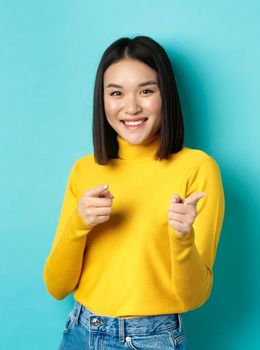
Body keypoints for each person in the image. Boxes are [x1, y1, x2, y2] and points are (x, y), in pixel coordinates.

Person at [43, 35, 225, 350]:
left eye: (146, 91)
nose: (131, 107)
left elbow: (194, 297)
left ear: (165, 94)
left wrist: (182, 239)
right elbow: (57, 287)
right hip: (79, 330)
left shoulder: (197, 168)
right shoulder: (85, 170)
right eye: (116, 93)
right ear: (102, 100)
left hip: (150, 338)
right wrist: (79, 224)